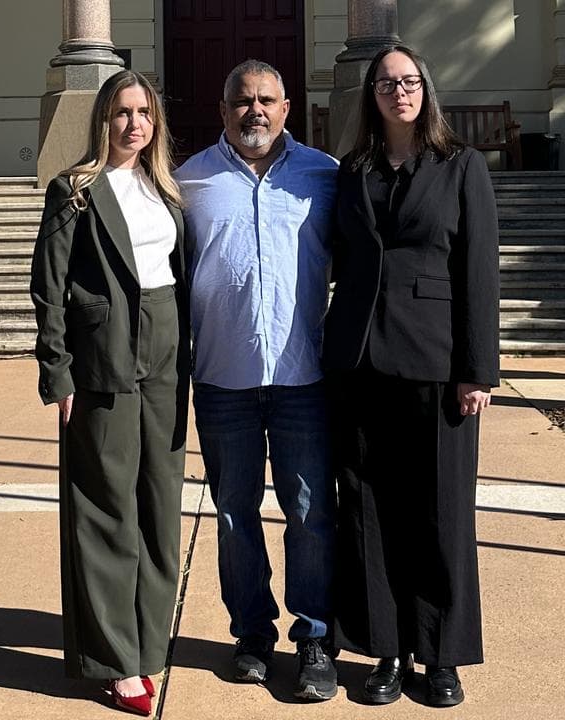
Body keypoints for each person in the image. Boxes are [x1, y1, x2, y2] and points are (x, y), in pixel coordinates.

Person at [324, 45, 499, 708]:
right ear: (372, 96)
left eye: (409, 81)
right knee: (367, 510)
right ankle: (387, 650)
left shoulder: (460, 166)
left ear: (426, 89)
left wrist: (478, 369)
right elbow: (333, 256)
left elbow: (479, 272)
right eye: (386, 83)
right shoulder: (354, 170)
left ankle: (441, 654)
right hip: (359, 361)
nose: (399, 91)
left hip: (437, 366)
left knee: (441, 513)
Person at [175, 59, 340, 701]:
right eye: (243, 101)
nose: (256, 112)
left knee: (309, 513)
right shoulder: (190, 182)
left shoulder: (323, 177)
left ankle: (317, 639)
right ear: (223, 111)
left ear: (287, 107)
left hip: (304, 376)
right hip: (224, 379)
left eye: (267, 100)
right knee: (235, 514)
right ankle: (250, 637)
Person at [29, 69, 189, 718]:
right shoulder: (75, 189)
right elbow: (49, 285)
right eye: (122, 112)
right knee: (105, 508)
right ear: (103, 118)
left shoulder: (166, 189)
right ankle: (115, 662)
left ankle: (149, 642)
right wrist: (56, 371)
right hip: (103, 359)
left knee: (159, 504)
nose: (133, 124)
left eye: (144, 112)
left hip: (167, 360)